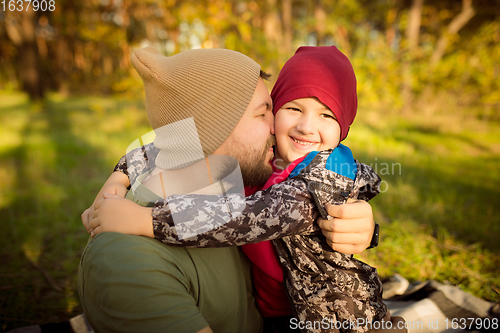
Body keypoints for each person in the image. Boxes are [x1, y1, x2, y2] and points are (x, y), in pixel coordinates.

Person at [80, 47, 381, 333]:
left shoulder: (314, 172)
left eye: (326, 115)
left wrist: (360, 228)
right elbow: (155, 147)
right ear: (211, 130)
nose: (286, 128)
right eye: (268, 111)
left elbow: (250, 217)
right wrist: (118, 180)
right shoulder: (128, 264)